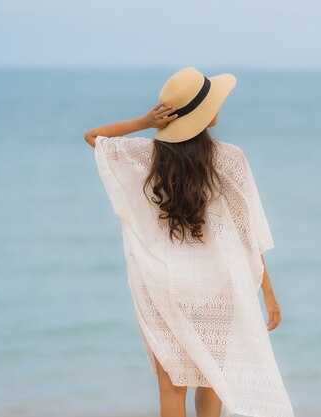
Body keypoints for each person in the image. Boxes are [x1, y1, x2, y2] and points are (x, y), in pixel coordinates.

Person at [83, 67, 294, 417]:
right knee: (213, 380)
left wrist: (146, 121)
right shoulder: (229, 159)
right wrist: (267, 291)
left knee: (171, 386)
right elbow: (248, 232)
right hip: (216, 286)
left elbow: (95, 137)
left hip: (164, 284)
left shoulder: (146, 155)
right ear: (201, 115)